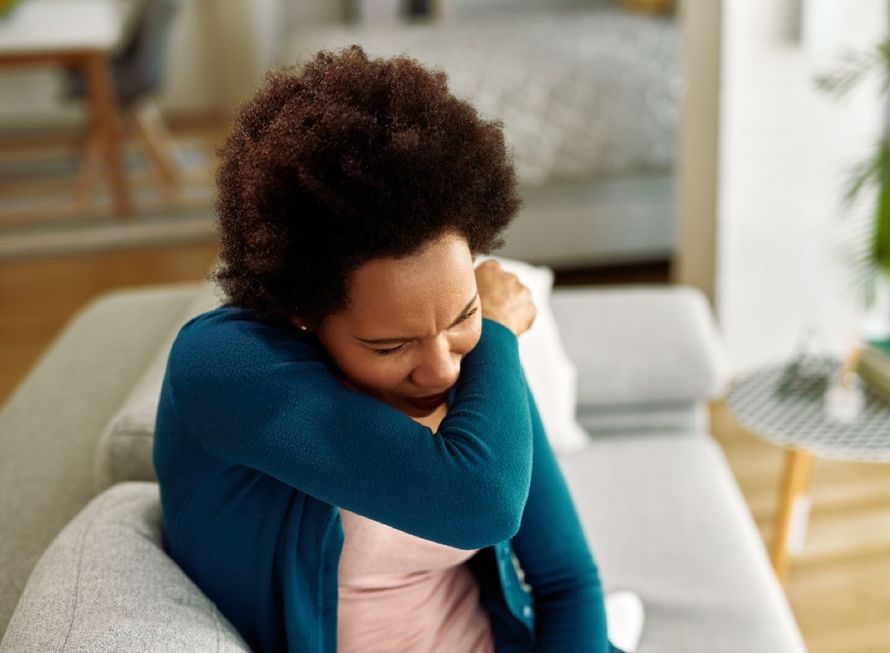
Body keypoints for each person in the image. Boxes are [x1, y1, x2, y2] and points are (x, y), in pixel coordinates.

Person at [153, 45, 626, 652]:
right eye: (391, 345)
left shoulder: (469, 361)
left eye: (463, 315)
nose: (441, 367)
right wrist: (499, 332)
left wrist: (484, 335)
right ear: (302, 313)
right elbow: (482, 503)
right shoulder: (224, 368)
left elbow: (565, 580)